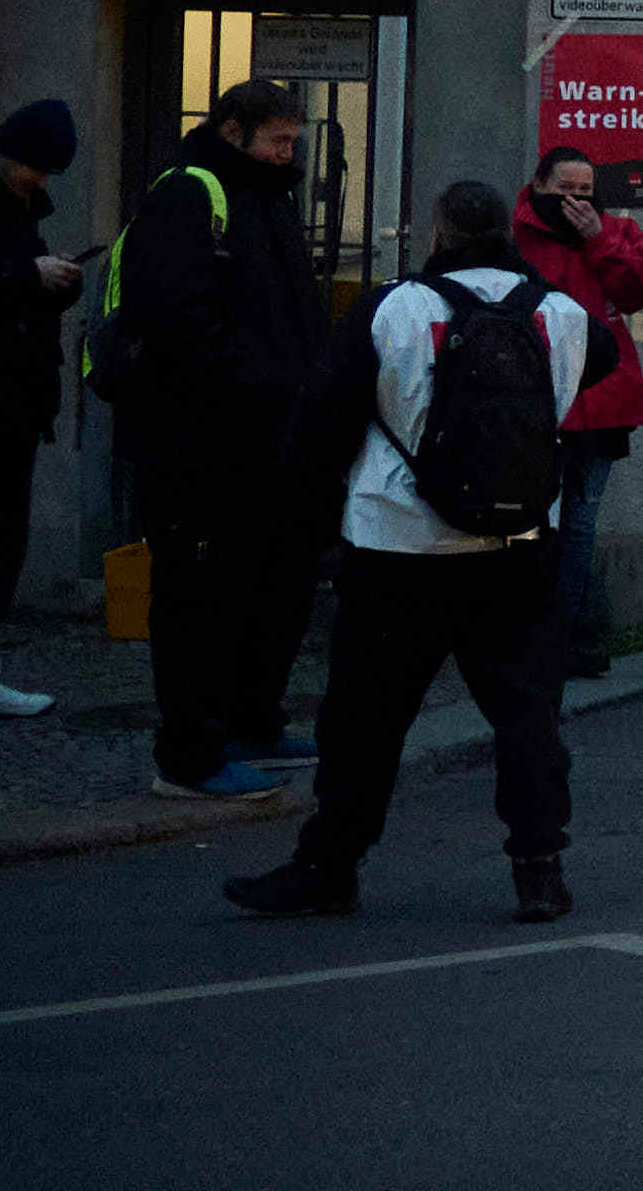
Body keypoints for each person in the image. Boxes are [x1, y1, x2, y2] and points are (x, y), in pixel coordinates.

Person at [222, 181, 601, 925]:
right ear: (507, 232)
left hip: (397, 544)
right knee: (527, 719)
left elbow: (321, 422)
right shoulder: (559, 312)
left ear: (436, 233)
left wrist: (314, 519)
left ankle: (329, 868)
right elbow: (602, 367)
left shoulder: (392, 307)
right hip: (516, 545)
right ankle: (539, 871)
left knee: (364, 722)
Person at [102, 75, 329, 799]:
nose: (289, 153)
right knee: (199, 597)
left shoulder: (268, 199)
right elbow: (175, 322)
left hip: (268, 440)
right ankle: (191, 754)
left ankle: (252, 722)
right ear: (234, 130)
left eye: (294, 141)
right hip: (199, 443)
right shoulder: (190, 194)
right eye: (278, 141)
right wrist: (256, 389)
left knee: (270, 587)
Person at [0, 101, 87, 721]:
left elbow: (6, 297)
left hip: (12, 402)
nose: (41, 181)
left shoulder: (13, 203)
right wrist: (25, 276)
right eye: (36, 169)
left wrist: (54, 285)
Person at [513, 147, 643, 679]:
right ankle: (526, 631)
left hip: (599, 402)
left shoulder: (616, 233)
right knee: (529, 523)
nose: (576, 202)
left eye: (585, 192)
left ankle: (568, 633)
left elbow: (639, 288)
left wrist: (598, 238)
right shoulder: (516, 237)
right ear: (540, 186)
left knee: (579, 524)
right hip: (534, 399)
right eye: (565, 191)